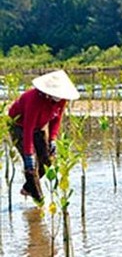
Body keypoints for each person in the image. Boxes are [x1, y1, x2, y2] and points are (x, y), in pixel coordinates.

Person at [8, 70, 80, 205]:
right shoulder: (34, 99)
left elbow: (56, 119)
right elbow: (28, 128)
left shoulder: (61, 100)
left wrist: (52, 138)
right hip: (19, 127)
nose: (59, 97)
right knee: (31, 166)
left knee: (47, 161)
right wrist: (28, 154)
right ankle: (39, 202)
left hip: (39, 127)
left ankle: (27, 189)